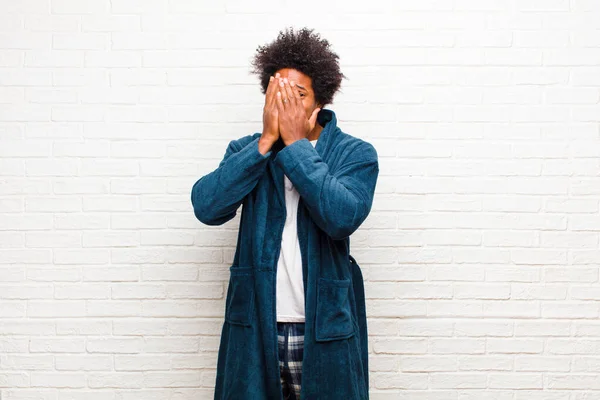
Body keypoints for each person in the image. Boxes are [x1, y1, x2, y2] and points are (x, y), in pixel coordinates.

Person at [191, 27, 379, 400]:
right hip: (257, 324)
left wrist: (295, 146)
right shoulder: (247, 150)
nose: (286, 104)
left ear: (320, 102)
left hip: (323, 327)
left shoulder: (354, 153)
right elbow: (207, 207)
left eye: (299, 95)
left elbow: (342, 217)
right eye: (278, 93)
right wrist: (264, 144)